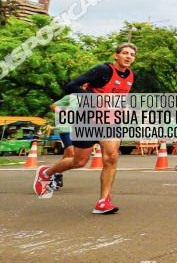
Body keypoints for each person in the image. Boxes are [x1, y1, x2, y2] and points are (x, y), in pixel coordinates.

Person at [34, 43, 136, 214]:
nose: (128, 56)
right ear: (116, 55)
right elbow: (70, 87)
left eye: (132, 54)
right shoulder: (102, 70)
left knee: (111, 158)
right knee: (79, 162)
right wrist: (98, 97)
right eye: (125, 53)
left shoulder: (131, 75)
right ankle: (47, 172)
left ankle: (103, 201)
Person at [45, 93, 80, 191]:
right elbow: (53, 105)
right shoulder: (71, 97)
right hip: (65, 128)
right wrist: (62, 113)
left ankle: (56, 174)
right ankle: (50, 174)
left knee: (68, 156)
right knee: (72, 154)